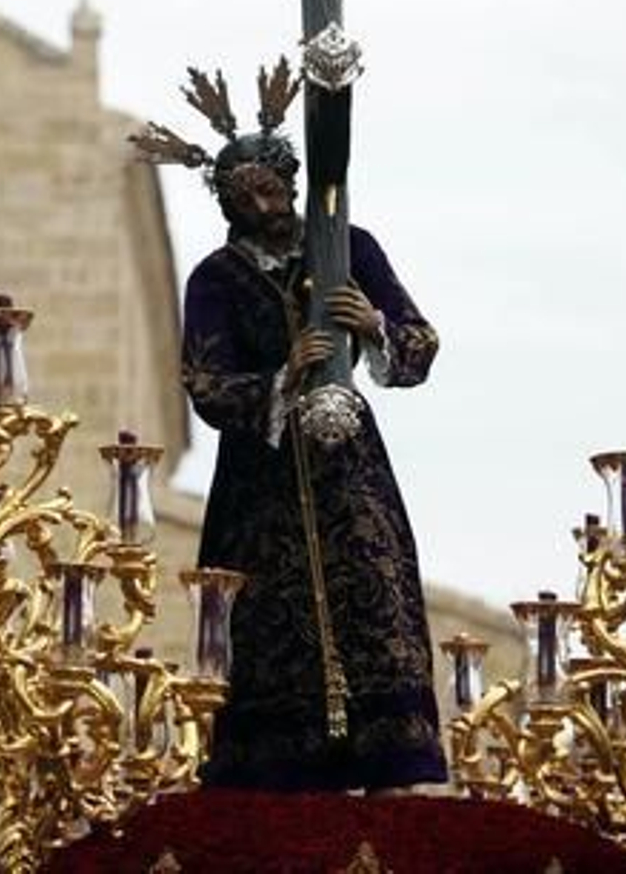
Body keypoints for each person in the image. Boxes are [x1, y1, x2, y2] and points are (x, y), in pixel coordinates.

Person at [134, 66, 448, 792]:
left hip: (348, 468)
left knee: (374, 592)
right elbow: (205, 384)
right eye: (244, 197)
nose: (261, 204)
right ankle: (280, 780)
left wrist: (369, 325)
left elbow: (420, 342)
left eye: (269, 189)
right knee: (268, 624)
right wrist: (285, 374)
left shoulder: (348, 247)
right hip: (261, 484)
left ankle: (390, 767)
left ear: (290, 181)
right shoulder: (215, 279)